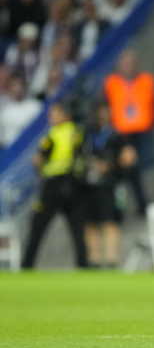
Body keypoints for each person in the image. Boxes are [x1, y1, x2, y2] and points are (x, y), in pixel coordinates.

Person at [22, 99, 87, 269]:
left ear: (65, 114)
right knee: (77, 228)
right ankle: (84, 265)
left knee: (38, 227)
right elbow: (82, 156)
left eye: (54, 112)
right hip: (74, 185)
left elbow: (37, 160)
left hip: (53, 186)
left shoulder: (53, 135)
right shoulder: (78, 131)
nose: (51, 116)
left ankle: (27, 265)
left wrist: (41, 172)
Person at [104, 48, 154, 215]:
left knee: (137, 169)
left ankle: (137, 205)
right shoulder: (111, 83)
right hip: (122, 135)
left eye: (131, 63)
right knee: (127, 171)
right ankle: (134, 206)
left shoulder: (146, 79)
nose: (128, 66)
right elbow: (105, 107)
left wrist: (153, 123)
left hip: (142, 132)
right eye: (125, 63)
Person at [83, 103, 136, 268]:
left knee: (110, 220)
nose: (103, 116)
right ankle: (94, 259)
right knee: (90, 221)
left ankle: (111, 259)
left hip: (110, 183)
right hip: (89, 183)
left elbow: (127, 157)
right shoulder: (88, 133)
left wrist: (109, 165)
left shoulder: (116, 134)